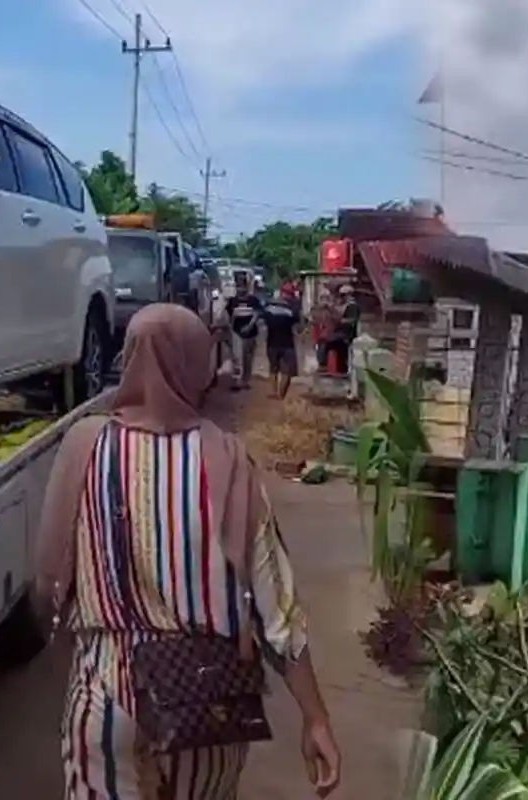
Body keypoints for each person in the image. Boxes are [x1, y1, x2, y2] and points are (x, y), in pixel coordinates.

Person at [33, 304, 341, 799]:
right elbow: (276, 610)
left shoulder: (83, 446)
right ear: (197, 364)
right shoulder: (227, 458)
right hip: (206, 702)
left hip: (105, 697)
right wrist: (316, 717)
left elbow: (47, 580)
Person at [264, 286, 302, 400]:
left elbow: (263, 321)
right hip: (287, 343)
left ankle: (274, 393)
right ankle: (281, 395)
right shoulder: (292, 310)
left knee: (273, 369)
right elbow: (299, 327)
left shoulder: (268, 308)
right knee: (286, 371)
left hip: (272, 342)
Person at [225, 277, 264, 390]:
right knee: (237, 358)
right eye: (238, 286)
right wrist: (230, 330)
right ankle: (236, 381)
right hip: (236, 333)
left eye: (242, 286)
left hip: (250, 333)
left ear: (246, 287)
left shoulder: (253, 300)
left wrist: (249, 326)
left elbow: (256, 315)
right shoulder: (232, 301)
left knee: (248, 358)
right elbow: (229, 316)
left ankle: (245, 381)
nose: (240, 289)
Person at [326, 285, 359, 375]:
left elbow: (352, 320)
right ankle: (339, 369)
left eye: (343, 295)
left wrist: (341, 321)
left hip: (347, 334)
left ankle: (340, 369)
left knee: (330, 344)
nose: (341, 297)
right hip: (342, 333)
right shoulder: (346, 305)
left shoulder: (352, 306)